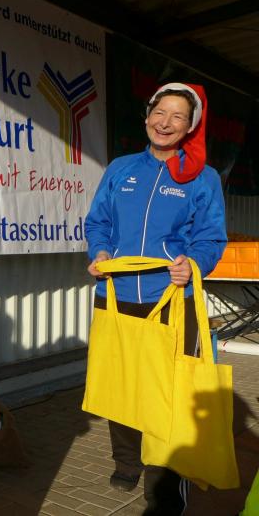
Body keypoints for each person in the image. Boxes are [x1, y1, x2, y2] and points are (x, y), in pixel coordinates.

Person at [85, 82, 227, 515]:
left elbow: (211, 237)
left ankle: (162, 483)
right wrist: (101, 252)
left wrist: (193, 264)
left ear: (190, 127)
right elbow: (98, 221)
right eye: (159, 112)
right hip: (117, 296)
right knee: (120, 386)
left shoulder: (203, 178)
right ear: (147, 115)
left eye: (177, 116)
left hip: (171, 299)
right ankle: (127, 462)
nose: (165, 123)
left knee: (167, 395)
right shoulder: (121, 169)